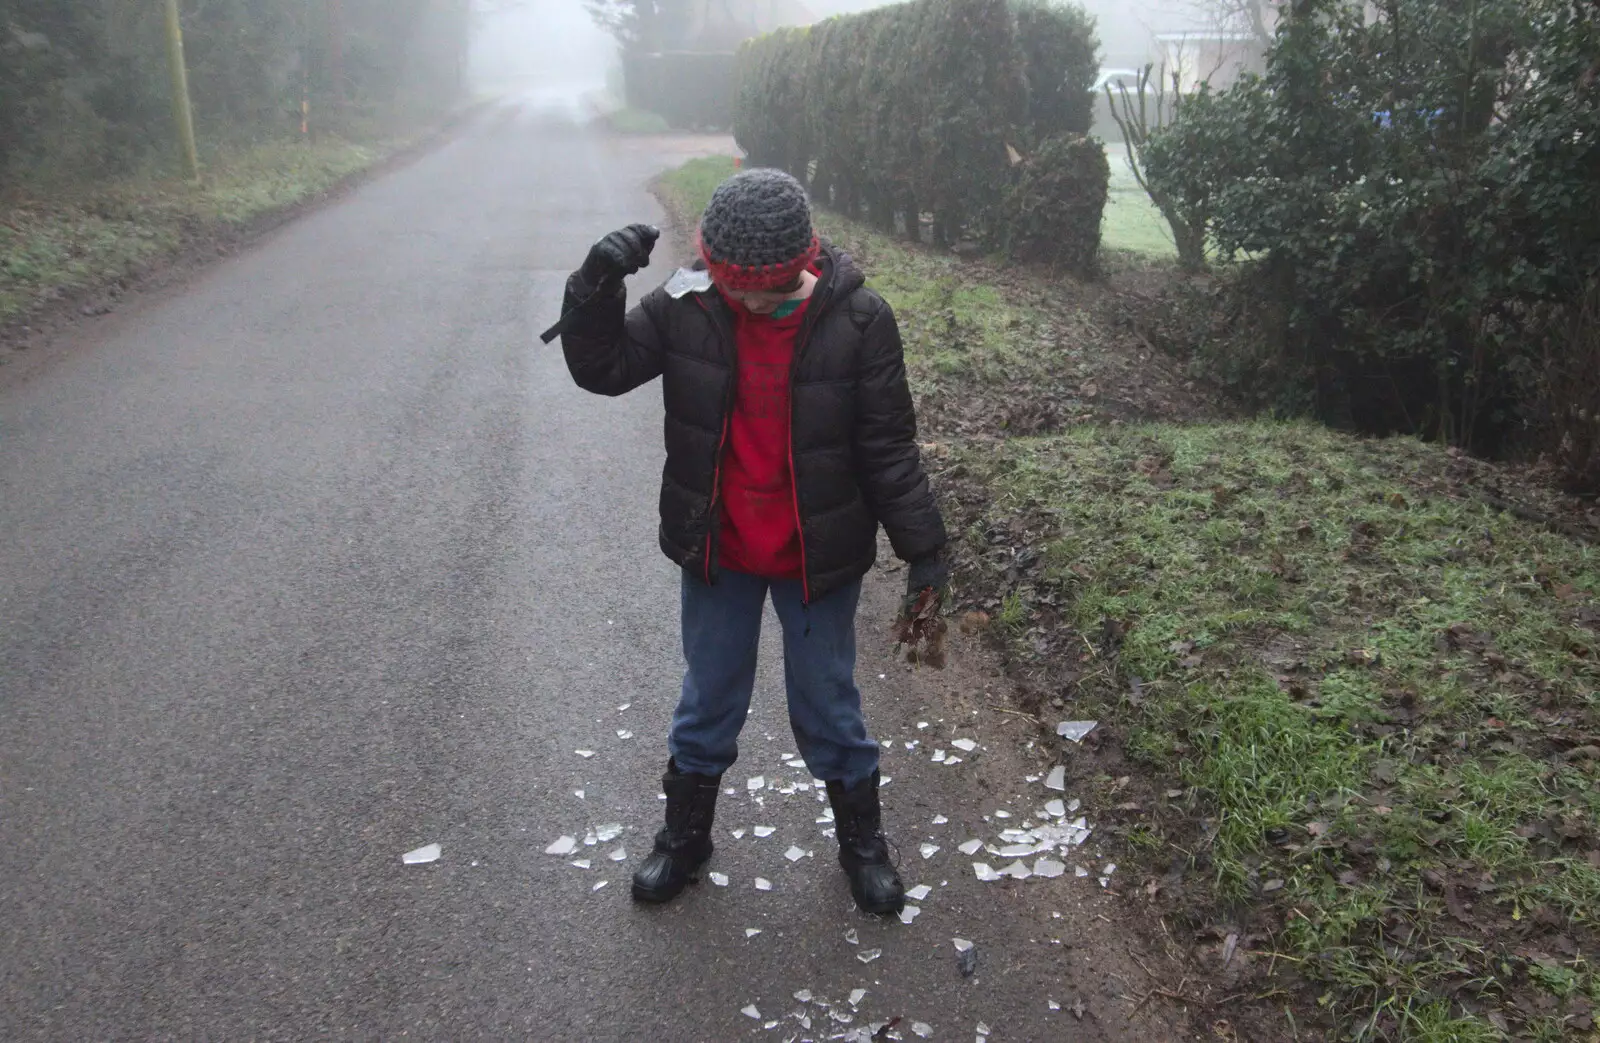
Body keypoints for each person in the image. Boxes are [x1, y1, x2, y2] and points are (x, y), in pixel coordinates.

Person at [558, 168, 948, 916]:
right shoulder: (691, 305)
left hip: (816, 558)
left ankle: (862, 842)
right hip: (719, 551)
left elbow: (890, 449)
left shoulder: (861, 320)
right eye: (735, 287)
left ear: (803, 263)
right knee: (708, 697)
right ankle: (685, 834)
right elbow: (602, 369)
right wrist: (596, 282)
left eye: (764, 290)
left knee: (828, 702)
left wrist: (925, 546)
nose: (748, 302)